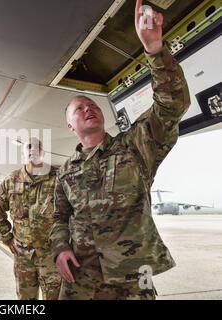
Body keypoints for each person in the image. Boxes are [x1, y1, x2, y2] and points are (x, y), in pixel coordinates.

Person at [49, 0, 190, 300]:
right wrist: (60, 248)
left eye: (92, 105)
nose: (89, 109)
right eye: (79, 109)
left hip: (135, 273)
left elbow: (171, 105)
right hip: (81, 276)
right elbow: (59, 217)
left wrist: (154, 50)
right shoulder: (65, 172)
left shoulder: (135, 146)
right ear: (70, 126)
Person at [0, 137, 61, 300]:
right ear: (23, 153)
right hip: (23, 255)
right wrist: (6, 237)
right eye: (29, 147)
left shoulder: (57, 178)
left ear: (44, 152)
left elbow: (71, 210)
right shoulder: (12, 180)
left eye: (38, 146)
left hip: (50, 254)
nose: (33, 150)